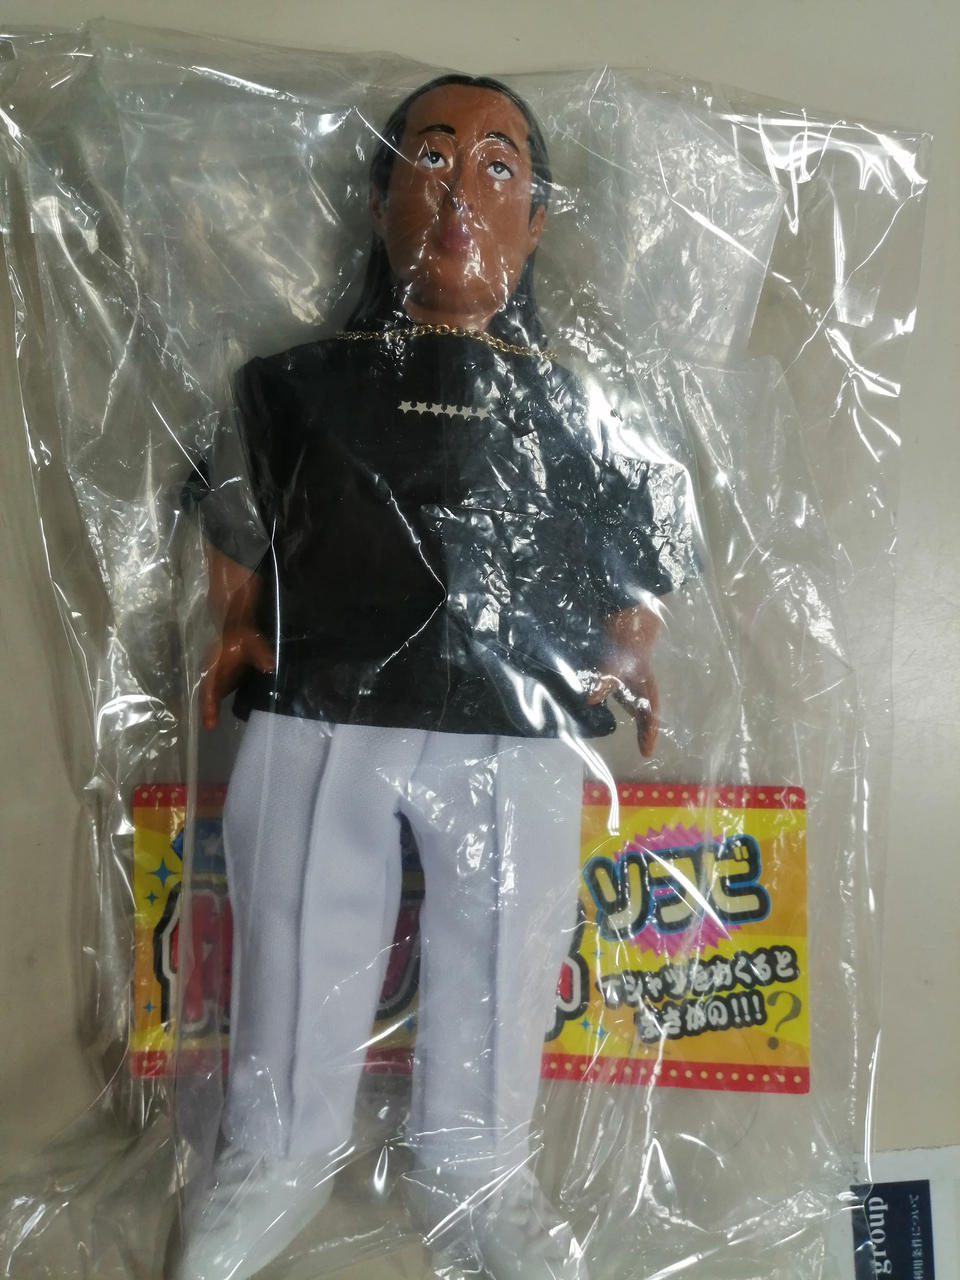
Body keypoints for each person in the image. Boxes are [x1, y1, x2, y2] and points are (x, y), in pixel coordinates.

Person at [179, 74, 671, 1280]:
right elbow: (235, 507)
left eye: (498, 168)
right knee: (299, 918)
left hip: (512, 712)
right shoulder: (296, 382)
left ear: (536, 219)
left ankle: (475, 1159)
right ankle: (280, 1147)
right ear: (379, 197)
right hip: (324, 699)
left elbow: (638, 540)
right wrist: (236, 620)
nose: (460, 196)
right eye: (432, 160)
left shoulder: (580, 406)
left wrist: (628, 647)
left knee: (506, 941)